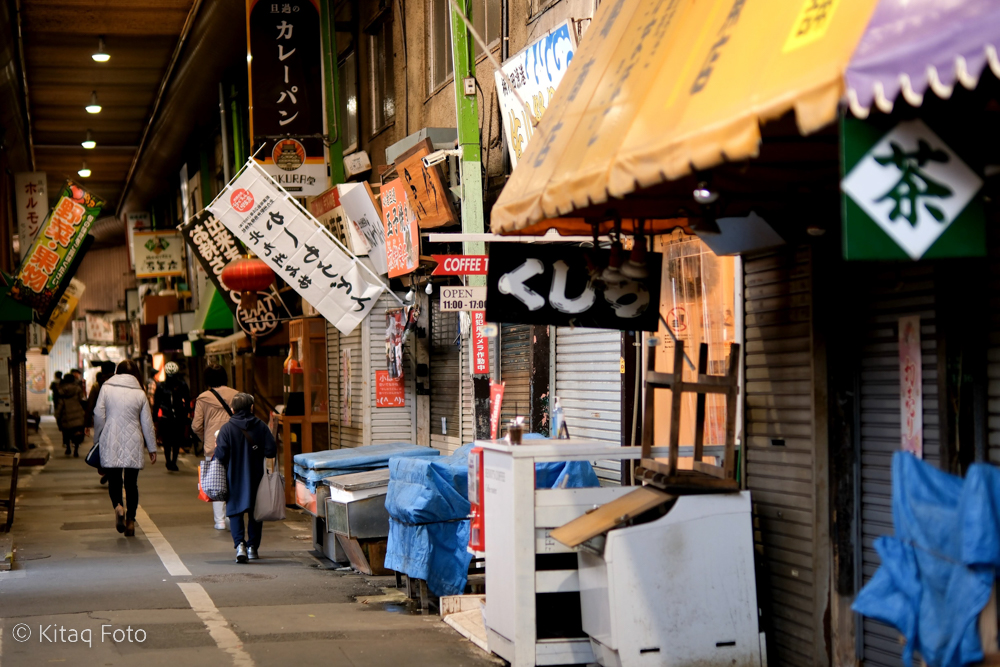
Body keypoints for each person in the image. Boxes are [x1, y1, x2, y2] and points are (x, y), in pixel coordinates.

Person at [93, 360, 157, 537]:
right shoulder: (140, 392)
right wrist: (152, 447)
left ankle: (118, 507)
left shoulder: (106, 387)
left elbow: (98, 415)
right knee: (131, 483)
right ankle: (130, 520)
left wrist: (97, 439)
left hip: (110, 437)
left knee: (114, 479)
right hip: (134, 439)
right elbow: (147, 423)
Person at [214, 393, 276, 563]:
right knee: (256, 513)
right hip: (257, 476)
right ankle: (253, 548)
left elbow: (221, 455)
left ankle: (240, 545)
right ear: (251, 407)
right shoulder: (261, 426)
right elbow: (271, 451)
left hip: (233, 476)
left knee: (235, 511)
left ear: (233, 409)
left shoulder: (227, 429)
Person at [192, 363, 238, 530]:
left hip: (213, 448)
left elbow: (196, 426)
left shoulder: (203, 398)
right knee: (234, 481)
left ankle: (220, 521)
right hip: (235, 445)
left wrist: (207, 439)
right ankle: (233, 517)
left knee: (217, 483)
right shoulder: (237, 395)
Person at [152, 361, 190, 472]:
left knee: (177, 440)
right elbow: (157, 403)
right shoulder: (161, 386)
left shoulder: (182, 385)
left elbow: (187, 400)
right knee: (167, 441)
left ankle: (173, 461)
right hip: (165, 416)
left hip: (178, 416)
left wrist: (186, 413)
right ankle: (169, 460)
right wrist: (155, 418)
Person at [87, 361, 117, 485]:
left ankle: (107, 471)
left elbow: (90, 404)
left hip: (101, 420)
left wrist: (86, 423)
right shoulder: (120, 383)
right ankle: (113, 472)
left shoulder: (97, 385)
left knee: (102, 447)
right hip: (117, 420)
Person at [55, 374, 86, 456]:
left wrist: (57, 415)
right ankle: (76, 449)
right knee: (77, 432)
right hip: (77, 413)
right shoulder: (77, 389)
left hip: (66, 414)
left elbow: (60, 404)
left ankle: (68, 447)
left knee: (66, 433)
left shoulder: (62, 390)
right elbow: (81, 399)